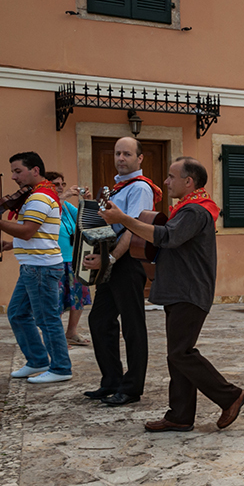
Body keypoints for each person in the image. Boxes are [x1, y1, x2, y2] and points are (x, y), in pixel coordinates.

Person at [100, 157, 244, 433]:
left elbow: (166, 237)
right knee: (176, 354)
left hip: (189, 291)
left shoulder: (194, 211)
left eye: (171, 177)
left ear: (188, 181)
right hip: (180, 289)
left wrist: (123, 219)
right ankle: (180, 415)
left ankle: (230, 395)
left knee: (181, 353)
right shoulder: (188, 209)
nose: (166, 182)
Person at [0, 152, 72, 384]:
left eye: (17, 171)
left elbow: (27, 231)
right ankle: (37, 360)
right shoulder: (36, 195)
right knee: (17, 313)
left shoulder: (40, 197)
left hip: (41, 268)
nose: (13, 177)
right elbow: (40, 234)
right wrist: (13, 244)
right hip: (33, 266)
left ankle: (61, 368)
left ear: (35, 170)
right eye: (12, 172)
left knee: (47, 319)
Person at [83, 137, 159, 406]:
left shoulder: (139, 188)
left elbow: (132, 228)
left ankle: (132, 387)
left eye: (127, 154)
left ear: (140, 159)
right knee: (100, 321)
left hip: (128, 261)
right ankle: (111, 382)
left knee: (132, 326)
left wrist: (111, 259)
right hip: (112, 258)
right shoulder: (115, 189)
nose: (120, 158)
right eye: (117, 153)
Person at [45, 172, 91, 346]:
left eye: (62, 184)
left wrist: (86, 200)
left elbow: (85, 217)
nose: (61, 187)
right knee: (56, 300)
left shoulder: (66, 207)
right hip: (55, 259)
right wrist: (63, 196)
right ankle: (54, 337)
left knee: (78, 296)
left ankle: (71, 332)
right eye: (56, 184)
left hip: (73, 258)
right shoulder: (47, 204)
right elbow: (51, 213)